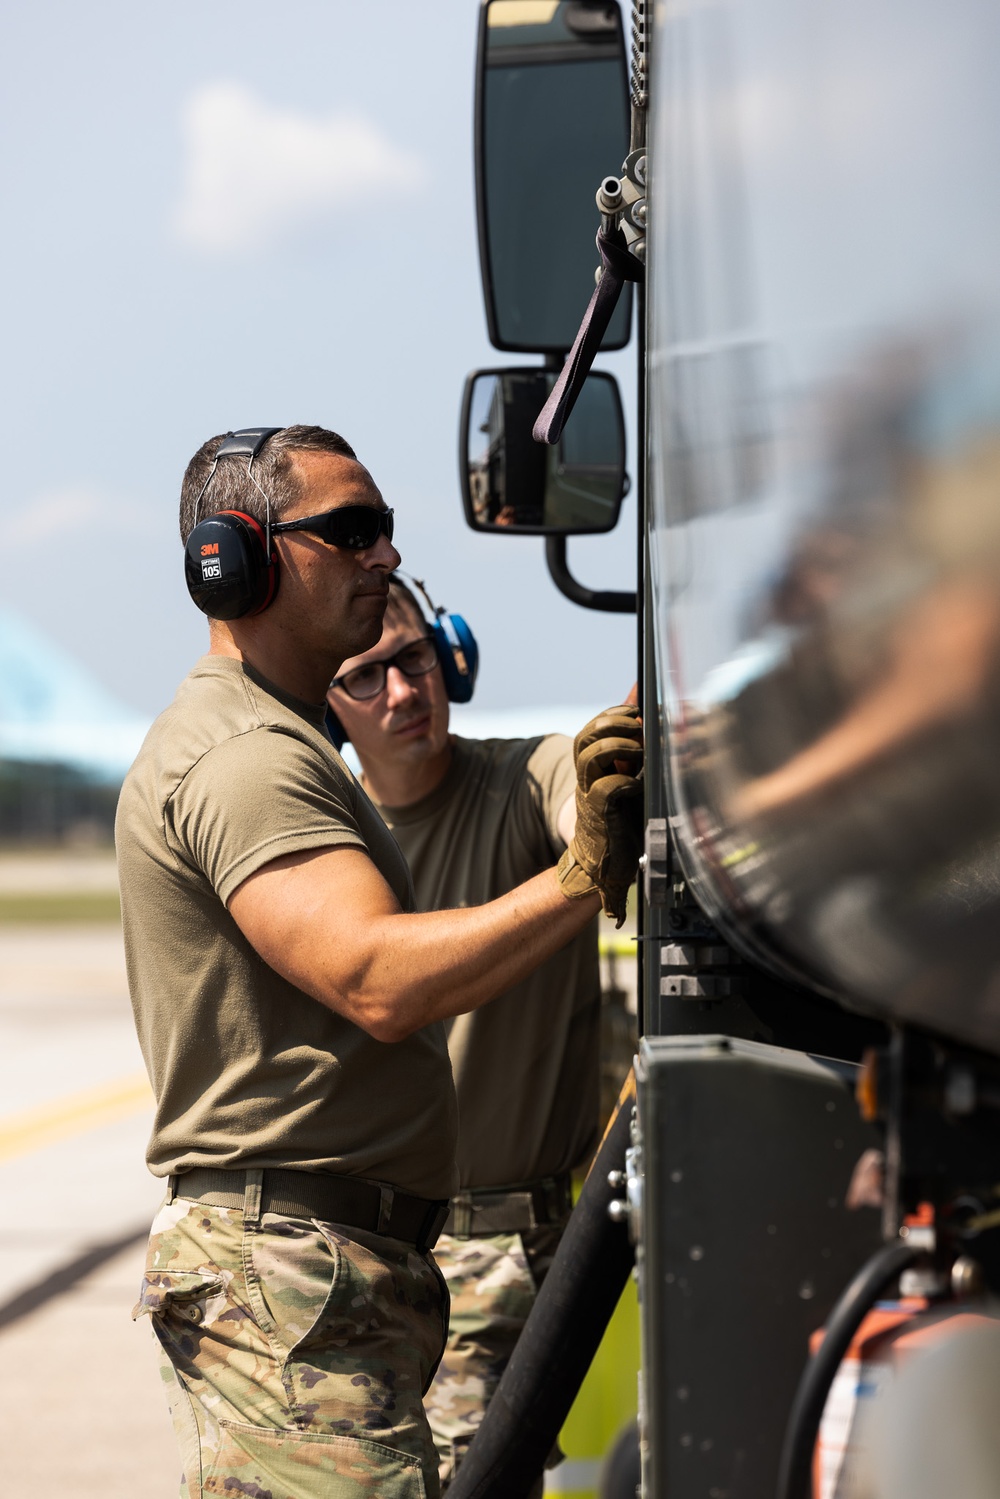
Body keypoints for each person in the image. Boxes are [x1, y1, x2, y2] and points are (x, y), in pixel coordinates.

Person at [115, 424, 643, 1499]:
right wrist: (583, 874)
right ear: (239, 557)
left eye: (385, 532)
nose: (385, 557)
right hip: (296, 1269)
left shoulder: (288, 746)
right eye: (350, 532)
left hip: (333, 1267)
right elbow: (375, 978)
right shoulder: (247, 758)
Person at [326, 573, 620, 1495]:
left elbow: (580, 800)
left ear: (451, 655)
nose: (405, 692)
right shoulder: (328, 840)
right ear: (327, 707)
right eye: (368, 676)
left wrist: (604, 810)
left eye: (413, 659)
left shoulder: (525, 776)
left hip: (504, 1247)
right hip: (363, 1258)